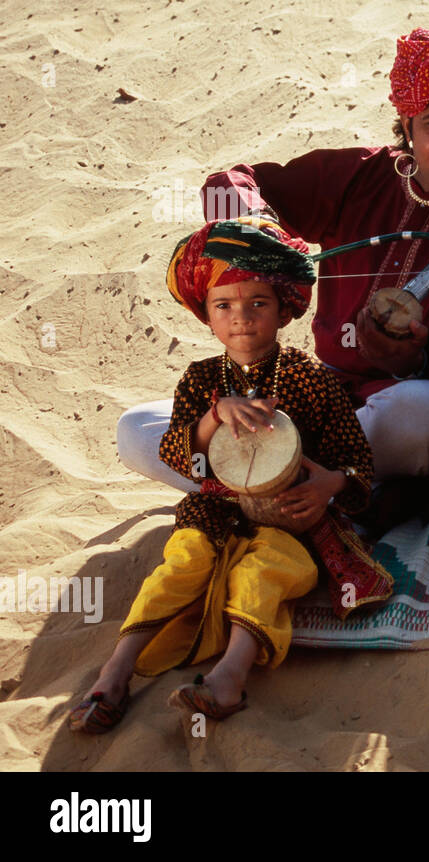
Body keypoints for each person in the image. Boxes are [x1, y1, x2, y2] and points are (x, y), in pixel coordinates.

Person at [117, 0, 429, 488]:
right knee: (135, 430)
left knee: (425, 411)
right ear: (408, 125)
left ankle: (276, 481)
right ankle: (293, 482)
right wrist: (258, 228)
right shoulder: (361, 175)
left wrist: (410, 359)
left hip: (398, 413)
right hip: (316, 397)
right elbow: (225, 185)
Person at [71, 220, 389, 732]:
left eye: (257, 303)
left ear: (285, 308)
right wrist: (213, 418)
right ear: (207, 316)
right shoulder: (200, 381)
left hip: (290, 521)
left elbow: (358, 465)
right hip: (214, 508)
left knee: (266, 574)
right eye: (224, 306)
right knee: (181, 566)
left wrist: (329, 486)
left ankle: (229, 678)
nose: (241, 318)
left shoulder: (313, 380)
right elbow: (180, 457)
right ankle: (116, 669)